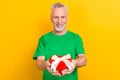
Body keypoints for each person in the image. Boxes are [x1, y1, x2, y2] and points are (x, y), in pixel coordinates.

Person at [33, 2, 87, 80]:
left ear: (67, 18)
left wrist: (74, 63)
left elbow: (84, 59)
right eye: (56, 17)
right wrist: (46, 64)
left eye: (63, 17)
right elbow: (39, 63)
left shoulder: (75, 38)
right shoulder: (44, 39)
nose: (59, 21)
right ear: (51, 18)